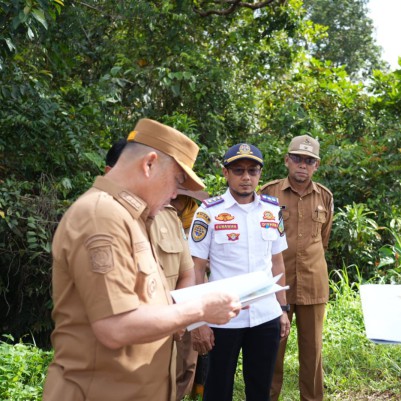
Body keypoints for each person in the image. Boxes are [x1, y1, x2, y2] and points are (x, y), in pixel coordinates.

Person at [43, 118, 241, 401]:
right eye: (177, 181)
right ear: (149, 164)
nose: (176, 194)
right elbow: (114, 327)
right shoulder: (102, 216)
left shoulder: (134, 218)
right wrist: (200, 309)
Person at [188, 143, 291, 401]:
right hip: (224, 318)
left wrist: (282, 309)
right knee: (217, 390)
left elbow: (277, 262)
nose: (246, 177)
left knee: (260, 389)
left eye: (252, 171)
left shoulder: (272, 209)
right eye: (238, 170)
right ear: (226, 173)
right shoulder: (208, 212)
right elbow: (196, 268)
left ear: (260, 174)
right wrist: (198, 321)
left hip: (265, 314)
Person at [104, 138, 199, 401]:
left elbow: (187, 273)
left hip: (165, 345)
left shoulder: (169, 216)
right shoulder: (98, 220)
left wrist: (177, 314)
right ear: (109, 173)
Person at [260, 135, 334, 401]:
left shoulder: (324, 196)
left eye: (309, 160)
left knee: (312, 351)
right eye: (297, 159)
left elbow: (323, 239)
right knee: (272, 349)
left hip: (313, 283)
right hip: (276, 284)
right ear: (287, 160)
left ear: (316, 165)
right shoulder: (268, 193)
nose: (303, 165)